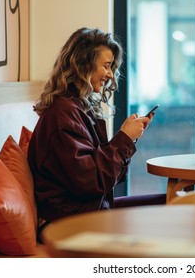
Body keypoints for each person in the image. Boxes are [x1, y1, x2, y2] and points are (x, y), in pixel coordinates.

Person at [27, 27, 166, 228]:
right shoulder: (62, 116)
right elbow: (93, 181)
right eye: (107, 66)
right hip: (71, 223)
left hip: (90, 211)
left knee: (170, 202)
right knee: (169, 207)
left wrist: (128, 139)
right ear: (83, 64)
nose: (110, 74)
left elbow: (108, 178)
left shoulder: (77, 108)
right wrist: (124, 139)